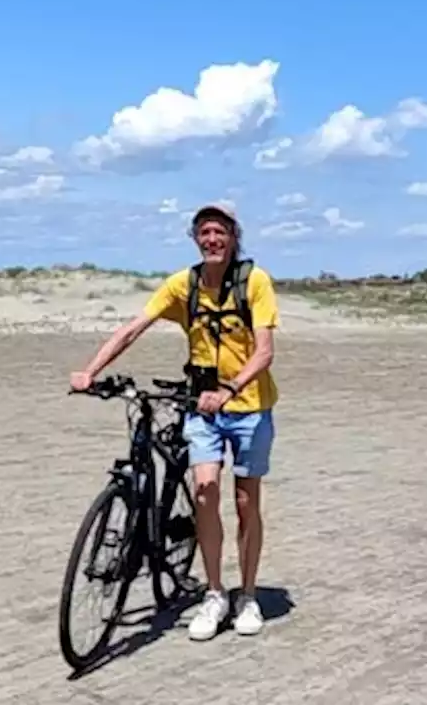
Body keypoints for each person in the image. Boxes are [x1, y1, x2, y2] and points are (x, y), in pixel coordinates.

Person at [69, 201, 280, 641]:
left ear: (233, 237)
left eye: (219, 231)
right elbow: (133, 327)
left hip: (248, 407)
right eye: (204, 232)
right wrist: (90, 370)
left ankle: (246, 596)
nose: (212, 239)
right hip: (199, 404)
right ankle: (215, 594)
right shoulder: (183, 285)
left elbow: (264, 352)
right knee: (204, 492)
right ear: (195, 239)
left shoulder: (254, 282)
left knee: (245, 503)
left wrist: (229, 390)